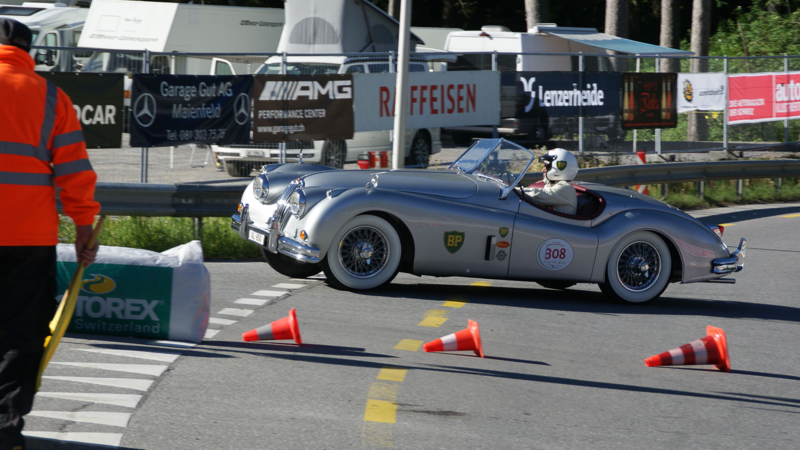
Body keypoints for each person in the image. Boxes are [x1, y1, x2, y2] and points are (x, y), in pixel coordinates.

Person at [0, 19, 100, 450]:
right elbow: (75, 174)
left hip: (27, 237)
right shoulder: (51, 98)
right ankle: (5, 432)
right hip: (27, 239)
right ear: (30, 51)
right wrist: (83, 228)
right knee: (19, 337)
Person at [523, 148, 578, 215]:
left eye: (547, 166)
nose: (543, 170)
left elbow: (538, 195)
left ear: (559, 168)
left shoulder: (566, 189)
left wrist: (514, 190)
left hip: (559, 225)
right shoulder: (550, 186)